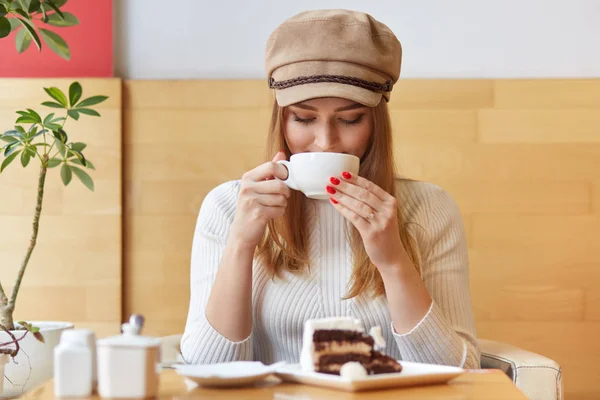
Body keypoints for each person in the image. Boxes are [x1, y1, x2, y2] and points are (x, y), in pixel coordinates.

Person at [181, 9, 481, 369]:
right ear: (282, 120)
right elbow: (204, 367)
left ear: (376, 123)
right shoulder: (229, 206)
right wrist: (241, 244)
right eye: (304, 118)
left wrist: (393, 260)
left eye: (350, 119)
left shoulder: (429, 208)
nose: (326, 142)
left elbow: (461, 372)